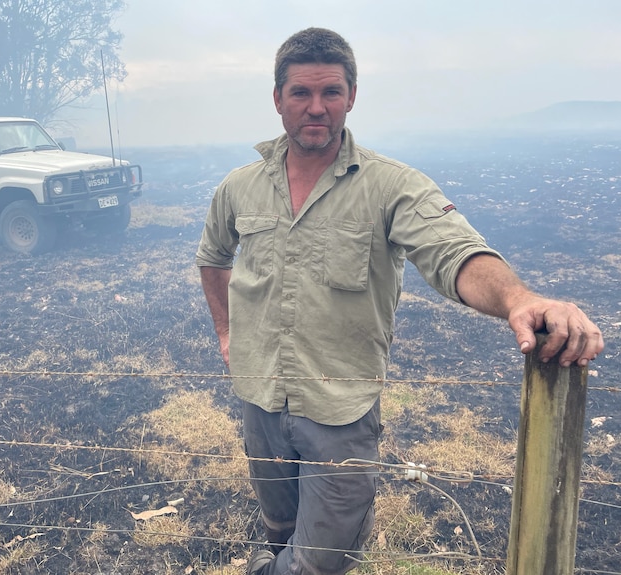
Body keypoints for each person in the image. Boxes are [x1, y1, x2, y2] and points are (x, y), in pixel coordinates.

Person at [195, 27, 604, 575]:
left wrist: (517, 298)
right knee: (280, 534)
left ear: (352, 96)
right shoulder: (238, 187)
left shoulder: (391, 187)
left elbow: (452, 250)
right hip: (260, 399)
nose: (316, 108)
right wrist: (226, 332)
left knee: (322, 562)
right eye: (301, 94)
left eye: (331, 93)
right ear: (278, 100)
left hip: (339, 414)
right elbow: (213, 255)